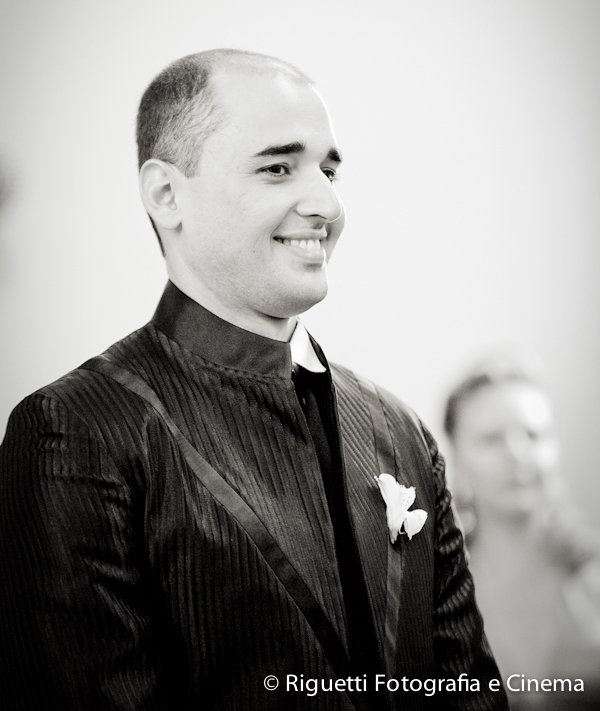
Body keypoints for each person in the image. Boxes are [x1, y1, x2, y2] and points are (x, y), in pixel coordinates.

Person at [0, 49, 508, 711]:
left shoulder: (401, 431)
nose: (327, 203)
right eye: (277, 168)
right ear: (167, 195)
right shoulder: (76, 432)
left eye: (329, 170)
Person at [444, 355, 600, 710]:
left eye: (534, 435)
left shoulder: (593, 569)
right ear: (456, 456)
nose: (518, 454)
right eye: (491, 439)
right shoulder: (440, 591)